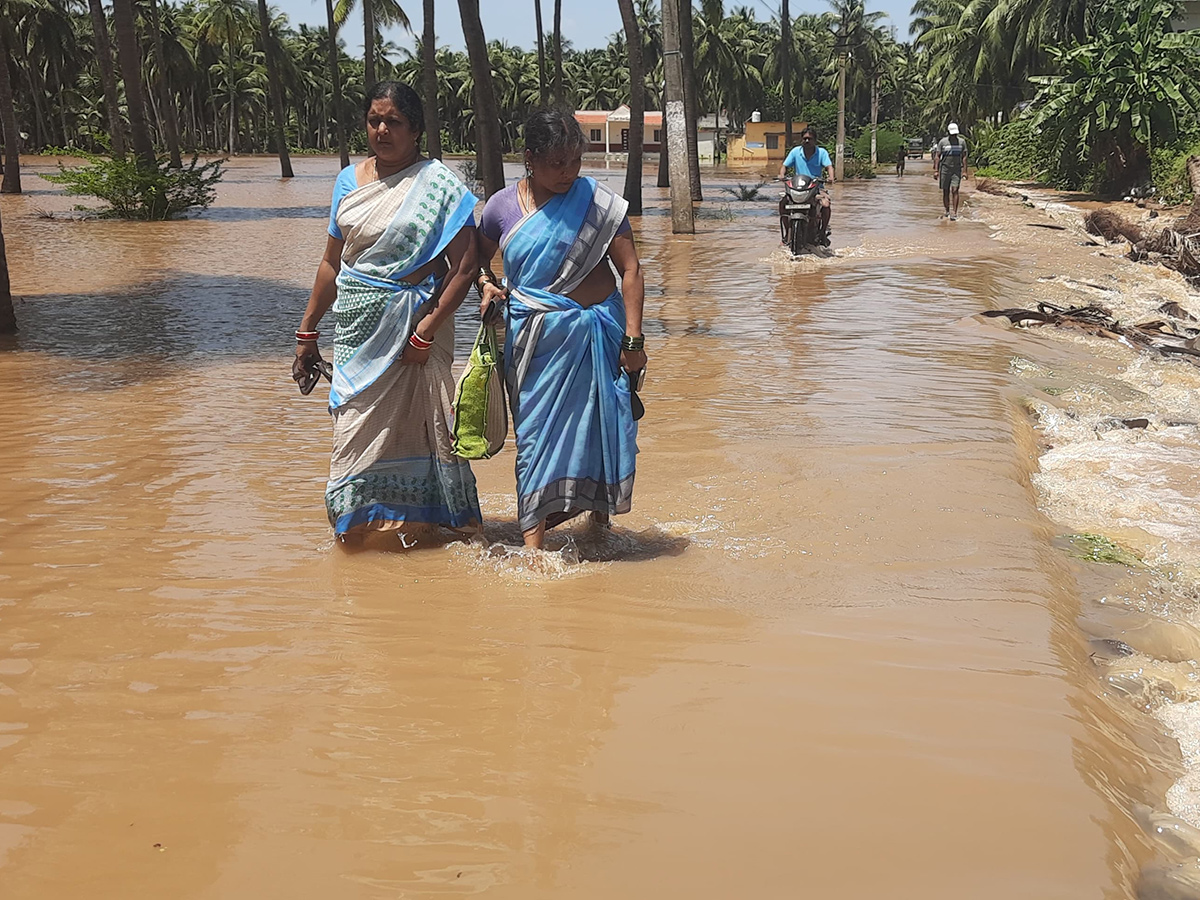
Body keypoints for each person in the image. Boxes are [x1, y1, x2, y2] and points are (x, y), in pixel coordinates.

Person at [293, 81, 482, 541]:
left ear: (415, 129)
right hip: (357, 332)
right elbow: (330, 264)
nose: (382, 129)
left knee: (426, 430)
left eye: (393, 121)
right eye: (374, 120)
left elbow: (466, 266)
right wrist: (306, 333)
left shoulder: (438, 186)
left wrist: (426, 332)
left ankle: (429, 532)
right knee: (352, 435)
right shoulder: (347, 182)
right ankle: (353, 543)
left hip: (416, 335)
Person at [477, 108, 646, 551]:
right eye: (557, 163)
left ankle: (599, 526)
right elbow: (472, 260)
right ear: (530, 158)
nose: (568, 173)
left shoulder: (600, 203)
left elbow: (630, 271)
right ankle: (533, 550)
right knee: (533, 438)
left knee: (602, 427)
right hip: (535, 347)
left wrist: (633, 341)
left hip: (600, 337)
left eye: (575, 162)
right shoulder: (500, 208)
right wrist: (487, 285)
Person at [777, 127, 835, 245]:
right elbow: (784, 166)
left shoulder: (822, 152)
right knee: (782, 204)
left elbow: (829, 167)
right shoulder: (795, 152)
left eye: (810, 139)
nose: (807, 141)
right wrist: (782, 174)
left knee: (826, 204)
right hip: (797, 187)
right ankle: (788, 231)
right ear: (801, 140)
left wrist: (831, 177)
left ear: (815, 140)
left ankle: (822, 231)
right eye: (805, 139)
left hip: (816, 187)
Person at [934, 123, 969, 220]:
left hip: (956, 169)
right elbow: (937, 156)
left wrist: (965, 171)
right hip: (945, 169)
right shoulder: (943, 142)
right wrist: (936, 170)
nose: (954, 136)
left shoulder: (962, 142)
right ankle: (947, 211)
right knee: (945, 191)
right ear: (949, 133)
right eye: (952, 134)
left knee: (955, 190)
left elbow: (964, 157)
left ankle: (954, 212)